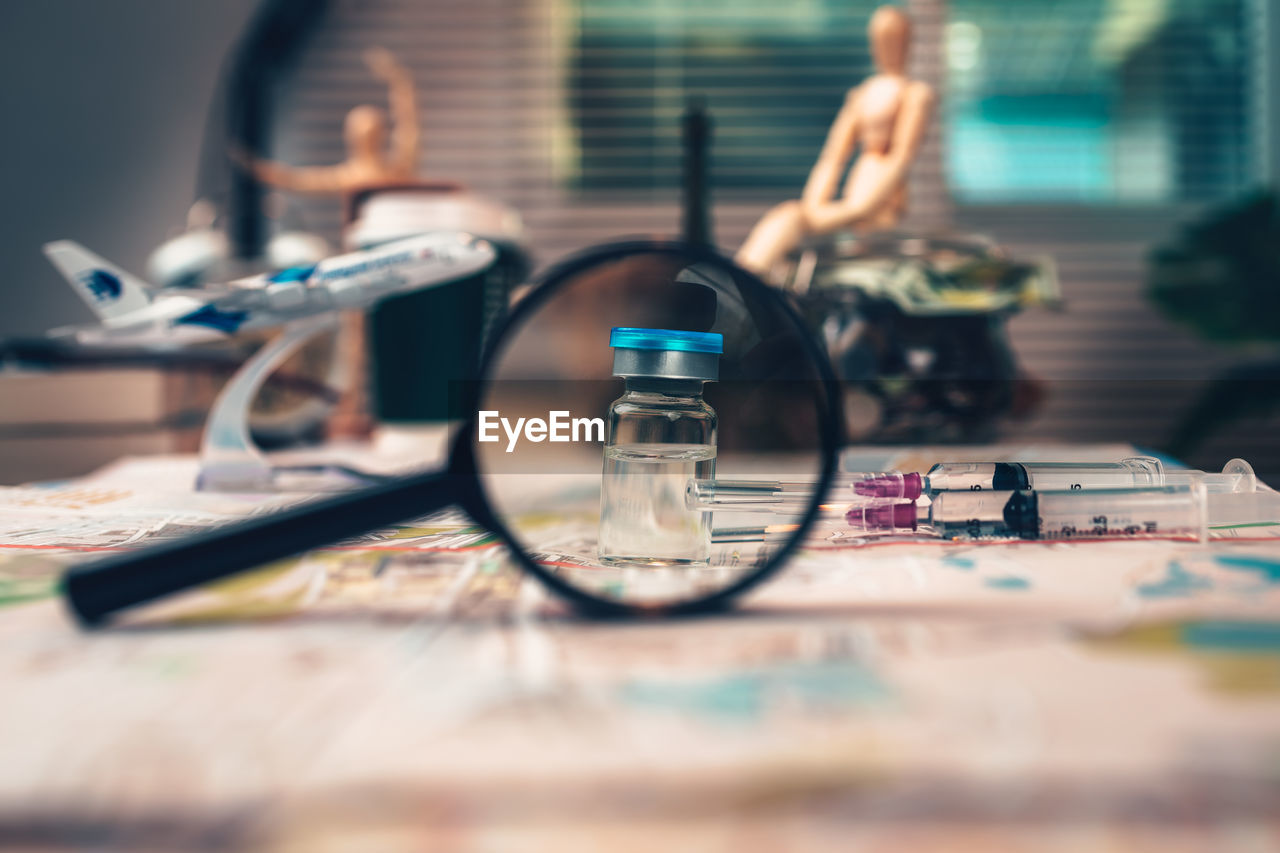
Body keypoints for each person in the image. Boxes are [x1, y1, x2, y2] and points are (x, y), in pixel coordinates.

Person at [735, 6, 935, 277]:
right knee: (789, 217)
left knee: (794, 224)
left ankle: (746, 284)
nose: (886, 46)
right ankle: (744, 281)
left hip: (881, 204)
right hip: (856, 194)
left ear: (906, 42)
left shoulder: (915, 94)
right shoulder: (862, 94)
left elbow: (901, 158)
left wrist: (859, 208)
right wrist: (815, 204)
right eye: (881, 39)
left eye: (893, 38)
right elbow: (833, 157)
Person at [238, 48, 420, 194]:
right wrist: (259, 169)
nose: (368, 139)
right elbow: (296, 179)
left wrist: (399, 80)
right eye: (365, 133)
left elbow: (407, 125)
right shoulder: (349, 175)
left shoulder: (395, 168)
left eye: (372, 132)